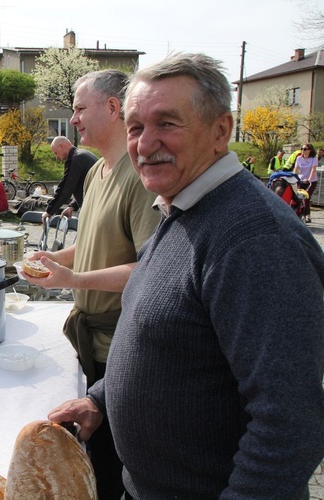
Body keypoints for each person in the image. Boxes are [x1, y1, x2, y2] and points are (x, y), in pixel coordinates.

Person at [48, 53, 324, 498]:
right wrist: (100, 399)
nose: (145, 142)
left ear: (221, 132)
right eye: (136, 127)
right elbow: (162, 334)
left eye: (167, 124)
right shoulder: (183, 207)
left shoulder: (255, 239)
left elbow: (290, 422)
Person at [23, 69, 160, 500]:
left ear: (114, 108)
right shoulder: (96, 172)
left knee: (112, 466)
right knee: (91, 460)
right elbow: (90, 242)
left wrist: (73, 279)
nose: (75, 119)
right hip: (91, 347)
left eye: (81, 109)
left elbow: (152, 270)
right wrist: (52, 260)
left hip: (122, 348)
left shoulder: (141, 177)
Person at [42, 136, 97, 220]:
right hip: (98, 205)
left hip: (93, 210)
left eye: (56, 153)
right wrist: (72, 205)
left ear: (61, 146)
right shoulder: (83, 154)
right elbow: (83, 186)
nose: (56, 157)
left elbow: (65, 188)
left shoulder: (75, 159)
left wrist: (49, 211)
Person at [294, 143, 318, 223]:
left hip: (311, 181)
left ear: (309, 150)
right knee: (300, 197)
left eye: (305, 149)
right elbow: (296, 169)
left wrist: (309, 179)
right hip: (301, 180)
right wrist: (293, 177)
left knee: (306, 197)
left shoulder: (313, 158)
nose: (302, 150)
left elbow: (313, 169)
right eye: (302, 149)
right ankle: (301, 214)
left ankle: (307, 215)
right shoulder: (299, 158)